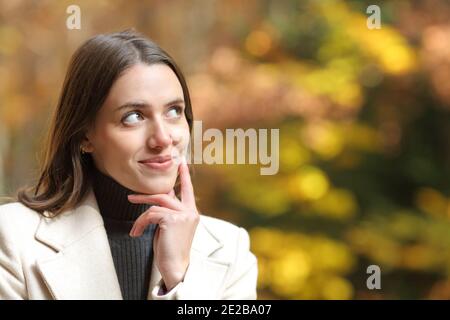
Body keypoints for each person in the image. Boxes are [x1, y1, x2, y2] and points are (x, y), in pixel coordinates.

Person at [0, 30, 258, 300]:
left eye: (174, 111)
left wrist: (179, 280)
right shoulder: (13, 238)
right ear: (84, 136)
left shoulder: (230, 250)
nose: (162, 138)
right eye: (133, 116)